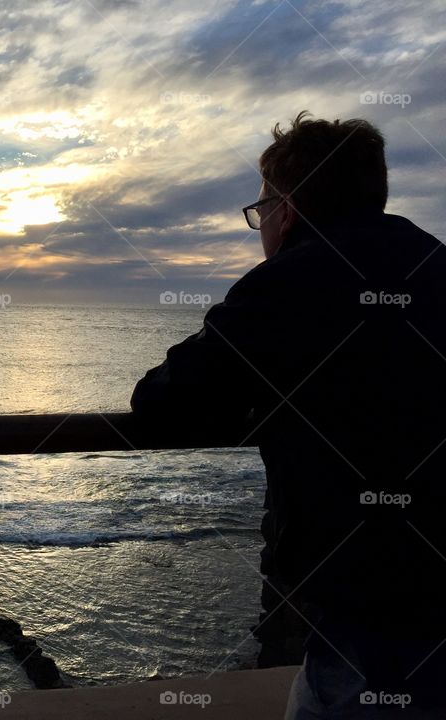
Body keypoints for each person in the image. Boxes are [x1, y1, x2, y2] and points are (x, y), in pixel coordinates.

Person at [129, 111, 446, 718]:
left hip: (371, 592)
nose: (260, 226)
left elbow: (164, 403)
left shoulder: (287, 285)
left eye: (260, 209)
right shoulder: (434, 262)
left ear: (287, 208)